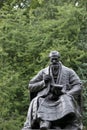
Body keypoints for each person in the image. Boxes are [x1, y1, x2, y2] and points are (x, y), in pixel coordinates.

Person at [22, 51, 83, 130]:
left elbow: (78, 85)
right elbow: (31, 86)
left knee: (66, 99)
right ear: (49, 59)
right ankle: (45, 122)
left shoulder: (68, 71)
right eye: (52, 60)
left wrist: (68, 93)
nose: (54, 61)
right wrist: (43, 82)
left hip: (62, 96)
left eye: (56, 59)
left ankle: (63, 123)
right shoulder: (43, 72)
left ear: (59, 59)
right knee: (37, 100)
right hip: (47, 97)